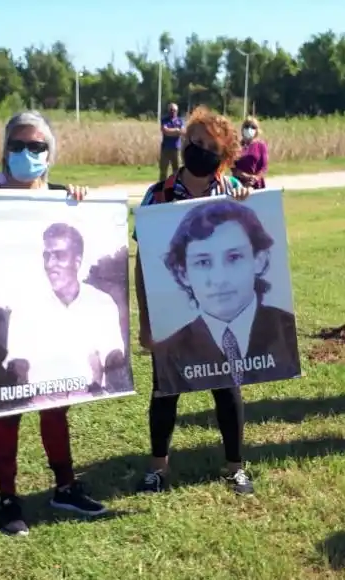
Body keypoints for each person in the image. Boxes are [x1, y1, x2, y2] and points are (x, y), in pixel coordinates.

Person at [0, 110, 106, 537]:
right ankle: (8, 497)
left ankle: (64, 485)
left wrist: (81, 201)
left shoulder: (63, 198)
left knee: (56, 404)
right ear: (5, 151)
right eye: (18, 146)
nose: (27, 153)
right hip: (8, 327)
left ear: (50, 152)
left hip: (56, 327)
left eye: (37, 146)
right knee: (9, 410)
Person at [134, 105, 255, 495]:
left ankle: (235, 467)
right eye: (195, 141)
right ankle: (158, 467)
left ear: (224, 155)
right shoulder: (159, 195)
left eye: (209, 145)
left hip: (221, 310)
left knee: (226, 388)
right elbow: (143, 263)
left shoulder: (233, 193)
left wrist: (249, 203)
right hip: (172, 309)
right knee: (165, 388)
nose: (199, 149)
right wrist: (146, 320)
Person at [150, 198, 299, 393]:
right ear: (183, 273)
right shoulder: (170, 352)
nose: (220, 279)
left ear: (259, 260)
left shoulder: (286, 332)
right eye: (203, 262)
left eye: (234, 257)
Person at [0, 221, 128, 409]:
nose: (50, 265)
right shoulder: (25, 306)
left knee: (57, 428)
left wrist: (114, 368)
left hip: (88, 394)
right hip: (39, 398)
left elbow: (113, 355)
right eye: (46, 256)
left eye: (59, 256)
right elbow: (17, 364)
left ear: (77, 261)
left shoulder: (101, 302)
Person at [232, 116, 268, 189]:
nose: (249, 129)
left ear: (257, 130)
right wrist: (246, 176)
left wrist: (255, 178)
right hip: (239, 184)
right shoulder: (236, 145)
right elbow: (232, 167)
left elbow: (264, 167)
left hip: (256, 184)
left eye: (253, 127)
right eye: (247, 126)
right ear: (243, 128)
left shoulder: (261, 145)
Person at [158, 102, 184, 182]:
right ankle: (161, 186)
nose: (172, 112)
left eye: (174, 110)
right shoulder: (164, 120)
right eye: (171, 110)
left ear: (177, 111)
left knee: (176, 169)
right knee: (163, 169)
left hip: (176, 148)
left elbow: (183, 132)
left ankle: (175, 185)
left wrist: (172, 132)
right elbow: (165, 130)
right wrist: (176, 130)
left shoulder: (180, 121)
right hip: (165, 148)